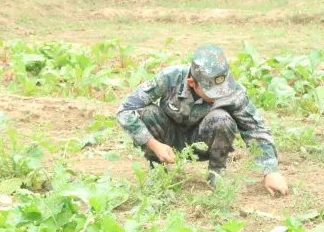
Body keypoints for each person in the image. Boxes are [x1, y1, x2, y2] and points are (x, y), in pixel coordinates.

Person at [117, 44, 289, 195]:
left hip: (202, 143)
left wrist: (271, 170)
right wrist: (154, 145)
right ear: (192, 83)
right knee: (147, 113)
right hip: (166, 141)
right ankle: (157, 170)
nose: (218, 96)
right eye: (212, 92)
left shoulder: (232, 91)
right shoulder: (170, 77)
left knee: (222, 119)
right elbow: (125, 110)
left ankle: (216, 173)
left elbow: (256, 129)